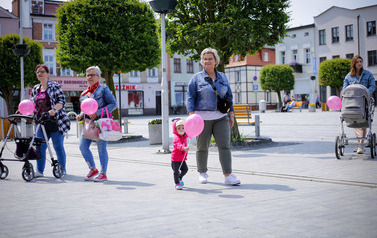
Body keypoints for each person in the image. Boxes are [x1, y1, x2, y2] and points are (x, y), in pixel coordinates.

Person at [187, 47, 240, 185]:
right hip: (201, 119)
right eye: (205, 59)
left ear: (216, 61)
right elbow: (190, 97)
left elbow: (229, 96)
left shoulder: (222, 77)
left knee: (225, 146)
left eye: (210, 58)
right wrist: (191, 115)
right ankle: (202, 172)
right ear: (202, 61)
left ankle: (228, 175)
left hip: (221, 117)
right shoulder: (196, 78)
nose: (207, 61)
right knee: (202, 147)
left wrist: (232, 114)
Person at [76, 66, 117, 182]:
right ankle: (93, 169)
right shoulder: (84, 94)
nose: (90, 77)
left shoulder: (103, 89)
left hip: (101, 123)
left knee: (101, 148)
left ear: (98, 77)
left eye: (92, 75)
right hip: (88, 124)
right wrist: (81, 115)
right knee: (82, 146)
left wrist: (98, 112)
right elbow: (85, 108)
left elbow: (113, 104)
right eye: (88, 75)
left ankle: (103, 173)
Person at [30, 64, 71, 177]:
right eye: (38, 72)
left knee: (58, 146)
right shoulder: (35, 89)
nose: (40, 73)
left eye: (42, 71)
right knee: (40, 146)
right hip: (41, 122)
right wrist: (23, 111)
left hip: (55, 121)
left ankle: (62, 169)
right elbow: (32, 105)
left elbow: (61, 101)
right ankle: (40, 171)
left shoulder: (54, 86)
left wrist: (53, 110)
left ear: (48, 74)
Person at [343, 55, 376, 154]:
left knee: (363, 120)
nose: (359, 63)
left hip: (365, 100)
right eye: (357, 62)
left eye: (361, 61)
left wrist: (366, 93)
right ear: (354, 63)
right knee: (355, 120)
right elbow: (344, 89)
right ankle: (360, 144)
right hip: (353, 101)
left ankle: (361, 145)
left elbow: (372, 86)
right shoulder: (349, 76)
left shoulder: (368, 74)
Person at [171, 119, 189, 190]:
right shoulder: (176, 137)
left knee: (185, 169)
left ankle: (180, 177)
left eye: (183, 128)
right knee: (176, 171)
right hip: (175, 159)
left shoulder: (184, 136)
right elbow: (177, 145)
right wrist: (183, 148)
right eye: (179, 128)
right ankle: (177, 183)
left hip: (182, 158)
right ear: (175, 129)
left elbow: (190, 134)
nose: (181, 130)